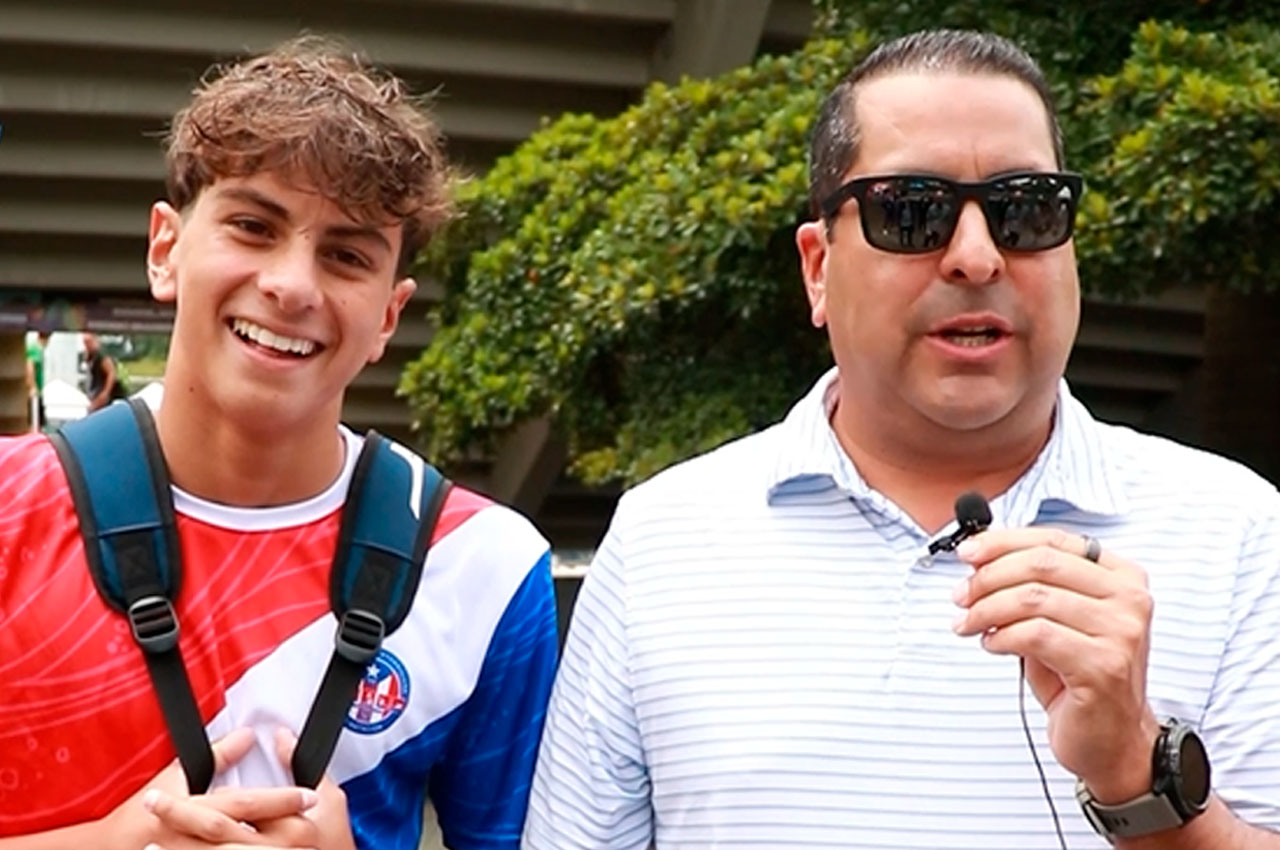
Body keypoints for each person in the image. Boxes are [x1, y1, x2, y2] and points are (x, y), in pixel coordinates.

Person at [523, 29, 1280, 850]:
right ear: (818, 267)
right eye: (912, 212)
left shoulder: (1236, 532)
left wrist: (1136, 770)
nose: (976, 258)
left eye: (1025, 209)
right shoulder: (662, 540)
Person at [0, 35, 559, 850]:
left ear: (389, 316)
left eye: (346, 255)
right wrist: (114, 843)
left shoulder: (484, 567)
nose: (292, 285)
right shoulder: (8, 512)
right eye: (253, 226)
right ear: (165, 249)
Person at [82, 331, 129, 411]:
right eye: (85, 343)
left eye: (89, 342)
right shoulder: (90, 357)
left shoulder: (101, 355)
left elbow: (111, 373)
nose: (87, 345)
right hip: (96, 395)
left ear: (95, 340)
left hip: (109, 397)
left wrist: (105, 393)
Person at [24, 331, 48, 431]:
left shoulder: (36, 348)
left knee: (38, 422)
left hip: (37, 391)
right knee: (34, 423)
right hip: (35, 392)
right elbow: (29, 365)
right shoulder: (36, 349)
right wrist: (33, 386)